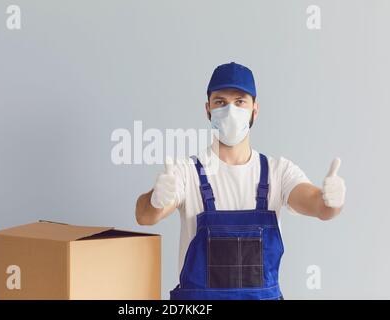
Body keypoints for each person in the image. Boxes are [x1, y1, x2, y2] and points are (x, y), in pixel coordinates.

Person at [135, 62, 346, 300]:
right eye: (220, 102)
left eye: (240, 101)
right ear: (208, 110)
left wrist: (332, 201)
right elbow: (145, 217)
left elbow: (319, 206)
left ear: (255, 110)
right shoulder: (186, 171)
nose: (230, 111)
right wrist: (155, 199)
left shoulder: (278, 171)